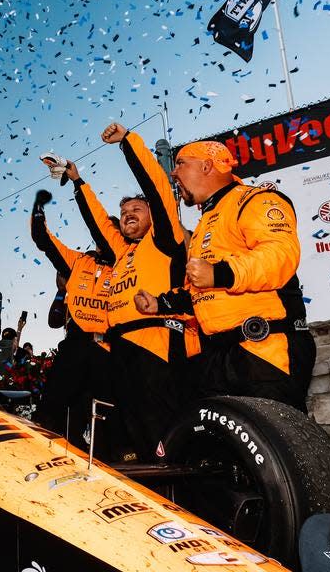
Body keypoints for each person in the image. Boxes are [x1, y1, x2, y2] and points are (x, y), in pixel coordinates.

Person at [134, 140, 314, 412]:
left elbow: (280, 256)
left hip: (264, 351)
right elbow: (201, 291)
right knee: (219, 448)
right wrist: (159, 304)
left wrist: (220, 273)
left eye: (181, 163)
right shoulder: (207, 220)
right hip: (217, 357)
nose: (174, 173)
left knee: (278, 449)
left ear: (207, 166)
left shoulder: (255, 199)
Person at [66, 124, 200, 461]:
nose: (127, 216)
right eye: (124, 213)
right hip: (121, 348)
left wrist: (128, 142)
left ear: (155, 216)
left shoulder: (164, 240)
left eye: (136, 211)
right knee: (127, 432)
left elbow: (155, 187)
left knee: (160, 430)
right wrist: (79, 182)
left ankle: (178, 492)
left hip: (157, 344)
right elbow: (98, 221)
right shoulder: (124, 253)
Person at [30, 188, 114, 445]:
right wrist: (38, 209)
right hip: (76, 345)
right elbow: (44, 241)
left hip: (109, 350)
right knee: (53, 413)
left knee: (107, 420)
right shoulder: (79, 262)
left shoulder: (129, 262)